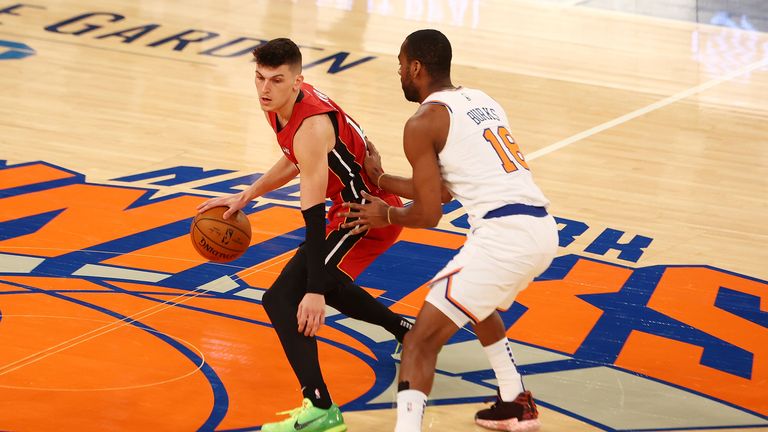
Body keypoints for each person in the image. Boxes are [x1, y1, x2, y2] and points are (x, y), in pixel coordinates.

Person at [342, 29, 558, 432]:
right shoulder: (483, 100)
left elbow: (427, 214)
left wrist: (385, 216)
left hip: (503, 236)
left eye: (401, 66)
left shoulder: (422, 122)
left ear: (417, 67)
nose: (400, 73)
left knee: (420, 342)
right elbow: (442, 191)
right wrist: (383, 178)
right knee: (477, 303)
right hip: (541, 228)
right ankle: (515, 401)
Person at [197, 38, 412, 432]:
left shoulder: (312, 126)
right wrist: (247, 194)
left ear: (298, 81)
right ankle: (404, 332)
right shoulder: (280, 106)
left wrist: (313, 291)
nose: (265, 89)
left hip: (366, 214)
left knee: (283, 297)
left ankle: (320, 408)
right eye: (259, 78)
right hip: (346, 210)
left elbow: (311, 217)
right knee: (323, 283)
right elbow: (294, 157)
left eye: (276, 80)